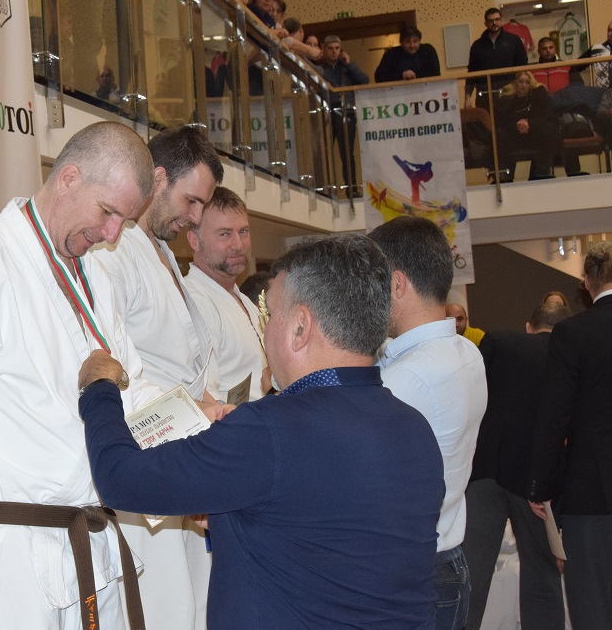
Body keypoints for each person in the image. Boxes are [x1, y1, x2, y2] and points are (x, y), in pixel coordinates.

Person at [77, 235, 445, 628]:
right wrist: (230, 520)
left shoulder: (268, 430)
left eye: (269, 316)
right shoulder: (415, 429)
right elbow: (337, 539)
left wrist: (100, 389)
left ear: (300, 327)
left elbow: (120, 478)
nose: (264, 334)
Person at [0, 121, 162, 629]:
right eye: (108, 213)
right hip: (10, 555)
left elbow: (133, 392)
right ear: (68, 178)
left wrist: (201, 430)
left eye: (124, 222)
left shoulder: (97, 277)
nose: (112, 235)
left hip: (90, 539)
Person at [88, 124, 222, 630]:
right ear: (159, 178)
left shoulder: (163, 251)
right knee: (160, 606)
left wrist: (209, 409)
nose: (196, 217)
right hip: (146, 447)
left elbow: (188, 359)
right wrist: (192, 410)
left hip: (185, 445)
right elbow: (109, 363)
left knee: (193, 600)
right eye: (192, 201)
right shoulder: (113, 252)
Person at [370, 215, 488, 630]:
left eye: (373, 281)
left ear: (396, 284)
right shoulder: (466, 352)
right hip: (445, 556)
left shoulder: (409, 376)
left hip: (413, 571)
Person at [462, 303, 571, 630]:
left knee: (472, 575)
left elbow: (470, 397)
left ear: (528, 326)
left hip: (485, 471)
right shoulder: (567, 356)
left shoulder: (497, 341)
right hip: (535, 481)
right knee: (542, 577)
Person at [528, 240, 612, 629]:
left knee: (592, 604)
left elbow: (554, 417)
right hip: (591, 490)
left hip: (590, 489)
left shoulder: (573, 333)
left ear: (587, 282)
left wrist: (540, 486)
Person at [185, 188, 269, 401]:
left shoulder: (242, 300)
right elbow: (204, 397)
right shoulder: (194, 301)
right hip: (230, 419)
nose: (238, 245)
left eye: (244, 232)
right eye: (225, 234)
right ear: (194, 241)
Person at [319, 35, 369, 186]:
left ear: (341, 49)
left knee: (347, 153)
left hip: (347, 112)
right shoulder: (320, 67)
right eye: (330, 48)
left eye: (337, 48)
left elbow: (364, 80)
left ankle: (351, 187)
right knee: (324, 152)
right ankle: (326, 187)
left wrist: (350, 64)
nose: (334, 52)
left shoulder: (347, 67)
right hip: (326, 113)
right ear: (324, 49)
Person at [494, 71, 559, 180]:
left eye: (527, 82)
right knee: (499, 134)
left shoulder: (538, 95)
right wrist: (516, 125)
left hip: (534, 135)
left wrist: (530, 124)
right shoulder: (507, 99)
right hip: (514, 137)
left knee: (550, 129)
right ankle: (504, 176)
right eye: (521, 81)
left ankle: (542, 172)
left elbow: (548, 116)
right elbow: (501, 120)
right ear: (516, 82)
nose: (524, 85)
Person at [467, 8, 528, 109]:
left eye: (497, 19)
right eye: (491, 21)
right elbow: (471, 73)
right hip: (485, 95)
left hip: (510, 94)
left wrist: (523, 91)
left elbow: (523, 67)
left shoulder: (514, 40)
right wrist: (467, 97)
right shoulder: (477, 45)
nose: (494, 23)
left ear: (501, 20)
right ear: (486, 23)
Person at [374, 25, 441, 83]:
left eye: (415, 41)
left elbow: (436, 73)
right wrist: (401, 75)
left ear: (419, 41)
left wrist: (416, 75)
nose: (412, 45)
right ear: (401, 43)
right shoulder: (391, 54)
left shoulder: (428, 51)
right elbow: (379, 77)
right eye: (407, 42)